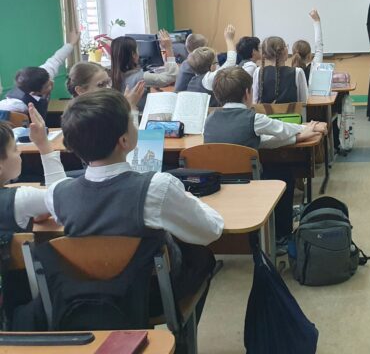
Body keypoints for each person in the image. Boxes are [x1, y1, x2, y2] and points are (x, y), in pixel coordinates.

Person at [44, 90, 223, 322]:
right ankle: (181, 335)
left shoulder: (57, 194)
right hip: (149, 297)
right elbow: (210, 230)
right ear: (124, 141)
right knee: (202, 257)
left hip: (83, 295)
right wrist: (189, 197)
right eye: (132, 121)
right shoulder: (157, 187)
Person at [205, 67, 326, 241]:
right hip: (249, 183)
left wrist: (296, 138)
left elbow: (258, 140)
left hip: (218, 184)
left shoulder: (209, 120)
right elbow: (283, 129)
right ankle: (282, 235)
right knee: (284, 174)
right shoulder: (253, 118)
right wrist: (308, 128)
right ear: (247, 93)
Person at [0, 104, 65, 232]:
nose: (19, 152)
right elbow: (62, 200)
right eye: (15, 149)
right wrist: (44, 144)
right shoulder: (21, 198)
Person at [0, 30, 79, 118]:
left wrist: (71, 43)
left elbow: (57, 59)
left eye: (49, 80)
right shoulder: (17, 104)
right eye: (47, 86)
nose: (52, 83)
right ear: (34, 93)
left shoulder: (42, 76)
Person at [110, 31, 179, 110]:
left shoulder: (114, 76)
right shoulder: (140, 77)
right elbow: (172, 76)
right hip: (140, 115)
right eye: (137, 50)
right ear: (133, 55)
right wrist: (168, 48)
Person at [66, 61, 145, 111]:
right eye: (101, 85)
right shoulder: (83, 117)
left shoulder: (103, 107)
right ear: (81, 90)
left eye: (108, 82)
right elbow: (129, 133)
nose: (108, 88)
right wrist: (130, 107)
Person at [252, 36, 308, 104]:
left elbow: (255, 102)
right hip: (292, 111)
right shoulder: (298, 72)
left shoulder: (258, 71)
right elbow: (304, 102)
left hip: (263, 111)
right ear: (284, 51)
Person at [292, 9, 324, 83]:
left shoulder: (289, 72)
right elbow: (319, 47)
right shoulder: (314, 68)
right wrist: (317, 21)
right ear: (309, 56)